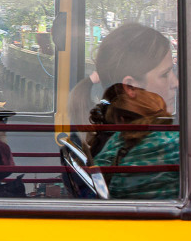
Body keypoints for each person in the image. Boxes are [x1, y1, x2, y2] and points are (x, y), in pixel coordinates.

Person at [70, 23, 179, 199]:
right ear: (131, 87)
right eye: (165, 74)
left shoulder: (104, 137)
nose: (176, 82)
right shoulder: (167, 146)